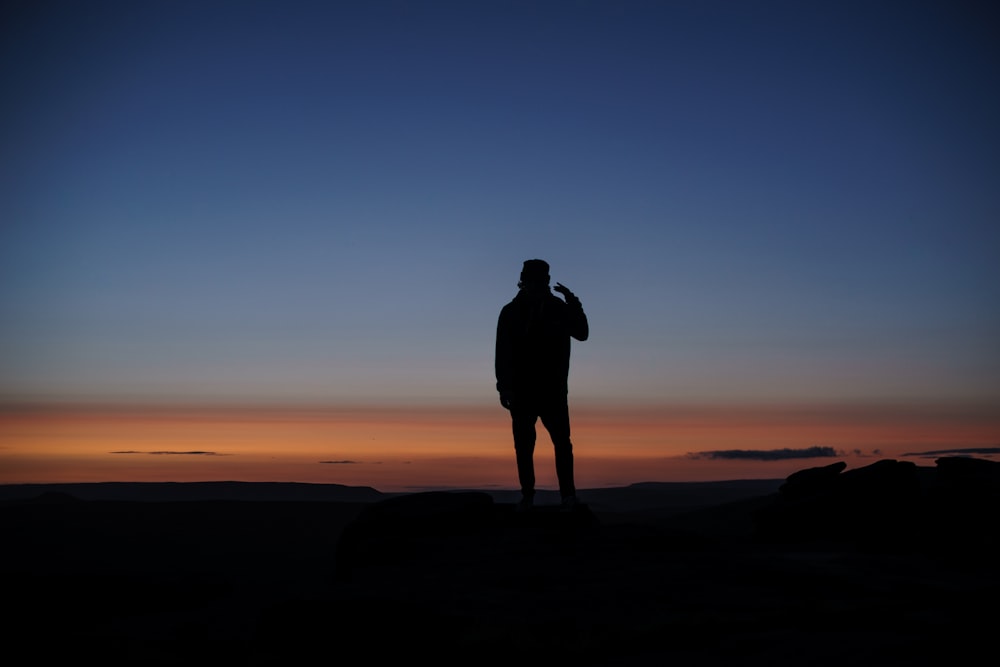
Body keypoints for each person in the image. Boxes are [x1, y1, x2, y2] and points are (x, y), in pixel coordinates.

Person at [495, 259, 589, 511]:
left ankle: (566, 496)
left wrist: (573, 303)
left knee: (559, 443)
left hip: (551, 390)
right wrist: (503, 386)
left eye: (539, 279)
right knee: (525, 446)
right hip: (524, 390)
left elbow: (581, 333)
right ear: (524, 280)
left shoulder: (557, 308)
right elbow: (502, 351)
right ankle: (529, 495)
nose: (536, 283)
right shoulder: (511, 311)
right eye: (532, 279)